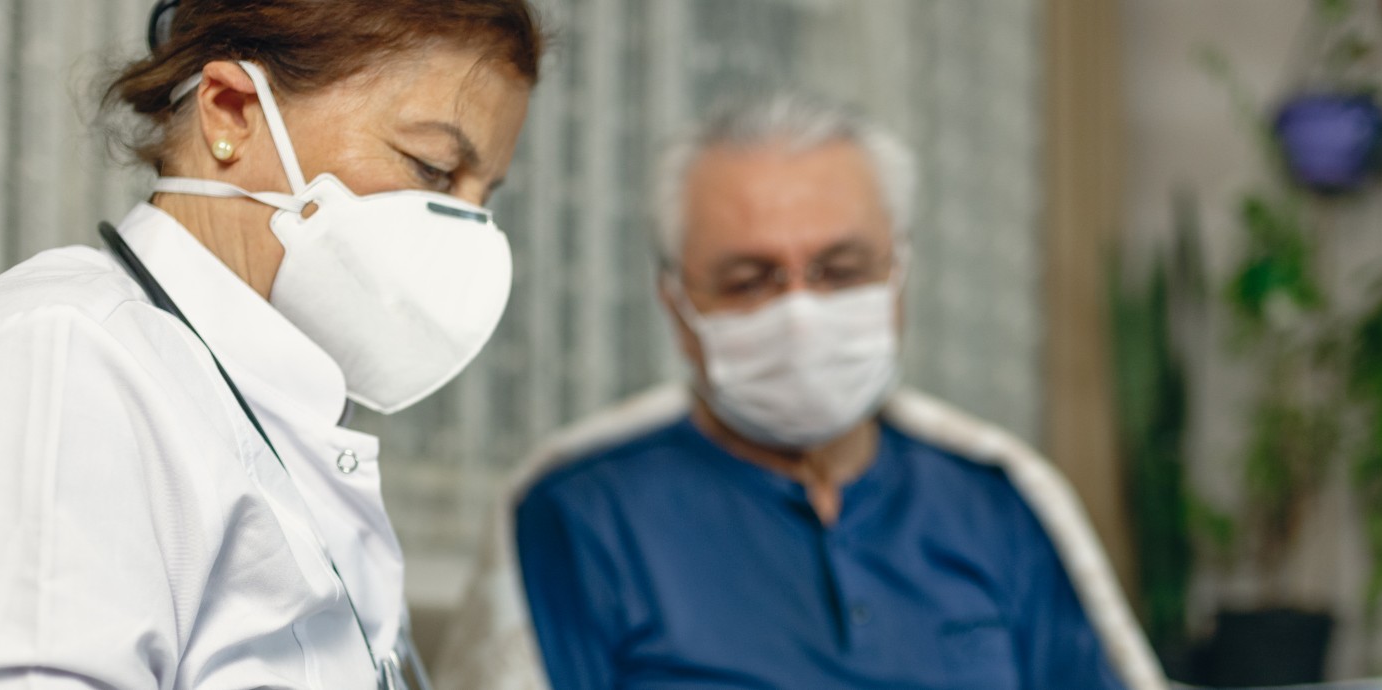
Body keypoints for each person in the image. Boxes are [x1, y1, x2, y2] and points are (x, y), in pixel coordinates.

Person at [0, 0, 542, 687]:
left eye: (486, 195)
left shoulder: (260, 404)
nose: (470, 228)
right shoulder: (61, 375)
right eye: (435, 168)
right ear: (230, 112)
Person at [435, 94, 1169, 690]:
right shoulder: (583, 517)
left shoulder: (996, 505)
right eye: (750, 280)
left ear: (898, 278)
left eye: (840, 271)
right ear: (677, 306)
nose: (800, 311)